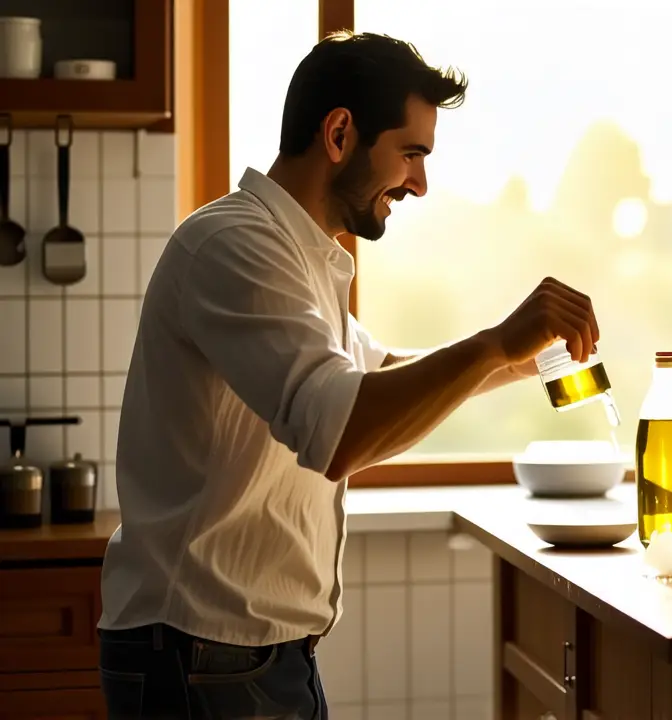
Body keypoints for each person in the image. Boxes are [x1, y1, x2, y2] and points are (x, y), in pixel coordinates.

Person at [96, 31, 599, 719]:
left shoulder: (300, 257)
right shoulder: (235, 246)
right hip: (203, 661)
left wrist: (529, 355)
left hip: (246, 659)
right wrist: (494, 344)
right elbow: (341, 432)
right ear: (339, 134)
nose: (420, 183)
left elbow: (379, 375)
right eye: (411, 153)